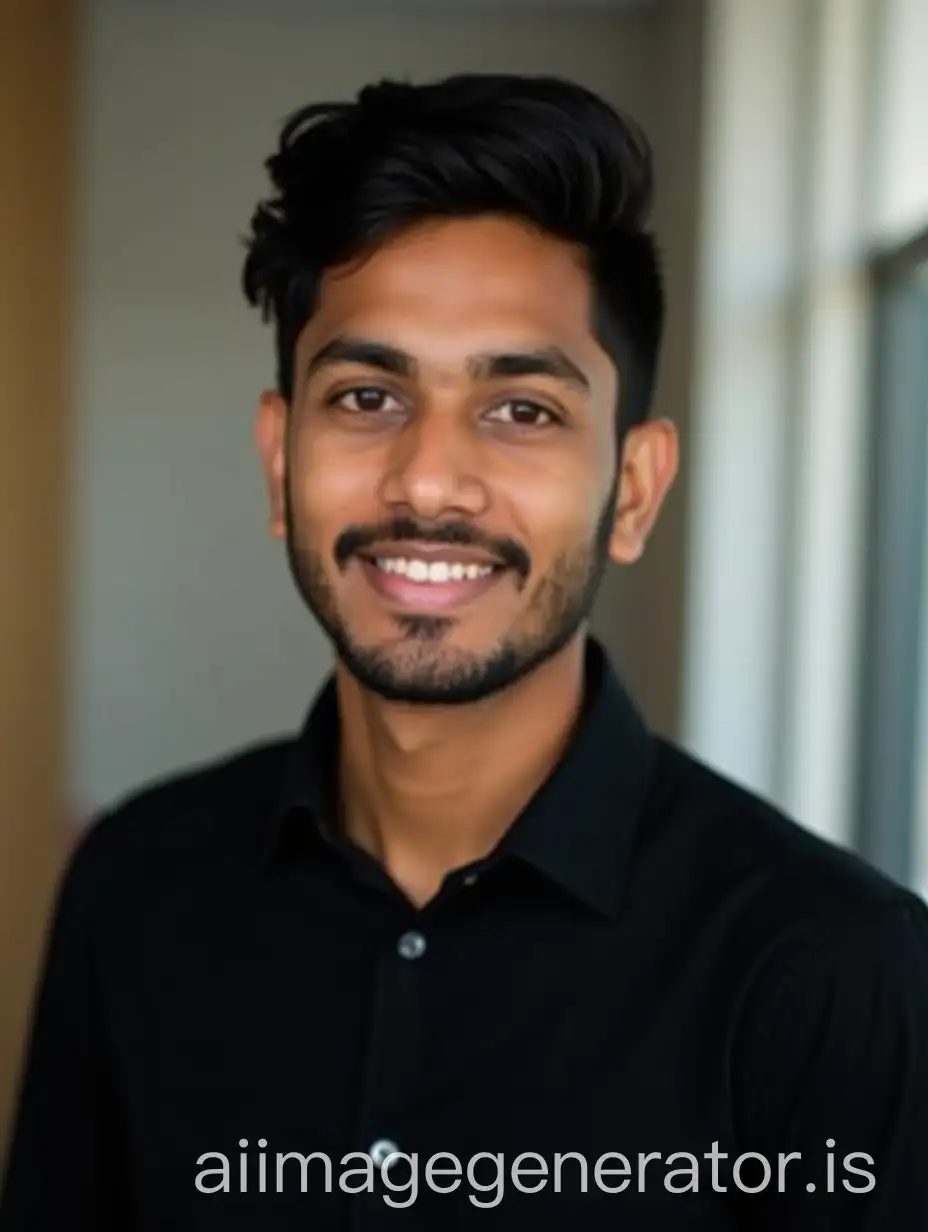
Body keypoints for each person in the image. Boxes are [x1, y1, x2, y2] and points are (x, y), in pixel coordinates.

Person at [1, 73, 926, 1231]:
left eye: (522, 409)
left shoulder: (829, 967)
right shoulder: (136, 885)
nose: (429, 479)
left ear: (631, 490)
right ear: (280, 461)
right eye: (368, 394)